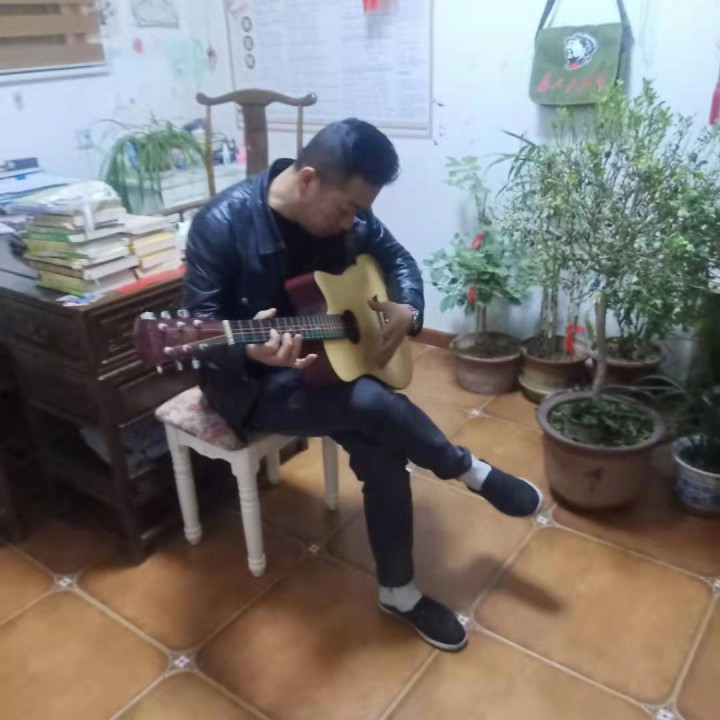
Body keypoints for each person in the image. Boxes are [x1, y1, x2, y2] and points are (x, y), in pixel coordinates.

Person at [183, 118, 543, 653]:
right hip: (254, 386)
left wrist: (408, 308)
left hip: (329, 365)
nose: (355, 220)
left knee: (380, 444)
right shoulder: (221, 224)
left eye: (361, 210)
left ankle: (399, 591)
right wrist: (248, 349)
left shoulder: (348, 210)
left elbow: (396, 257)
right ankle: (466, 469)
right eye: (348, 209)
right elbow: (198, 331)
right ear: (309, 180)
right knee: (372, 403)